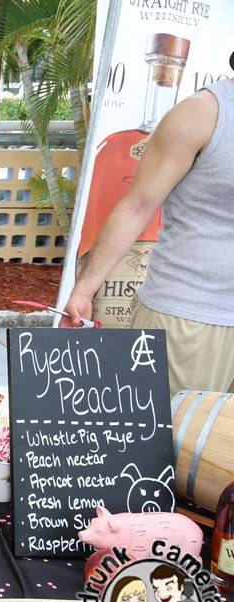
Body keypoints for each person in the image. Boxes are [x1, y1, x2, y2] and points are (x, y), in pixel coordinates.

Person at [61, 75, 234, 396]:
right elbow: (137, 206)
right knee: (172, 429)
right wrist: (84, 290)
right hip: (190, 317)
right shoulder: (201, 113)